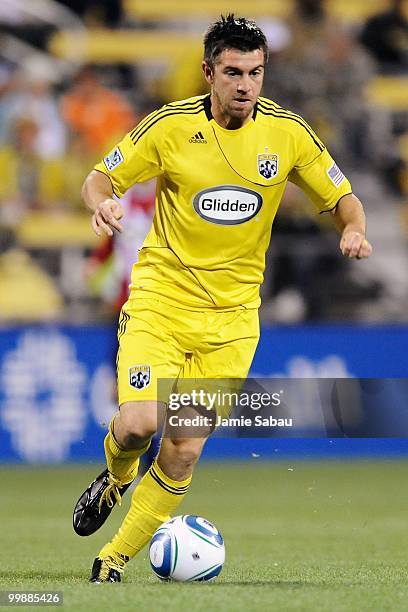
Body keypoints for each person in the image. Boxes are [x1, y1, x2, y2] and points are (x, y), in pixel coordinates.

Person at [73, 14, 372, 583]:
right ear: (209, 72)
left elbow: (343, 197)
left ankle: (111, 561)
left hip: (232, 324)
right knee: (137, 424)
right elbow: (100, 177)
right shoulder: (169, 127)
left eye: (256, 72)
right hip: (161, 303)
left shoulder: (287, 134)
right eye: (234, 72)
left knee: (183, 447)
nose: (246, 85)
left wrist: (350, 229)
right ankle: (114, 477)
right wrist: (102, 201)